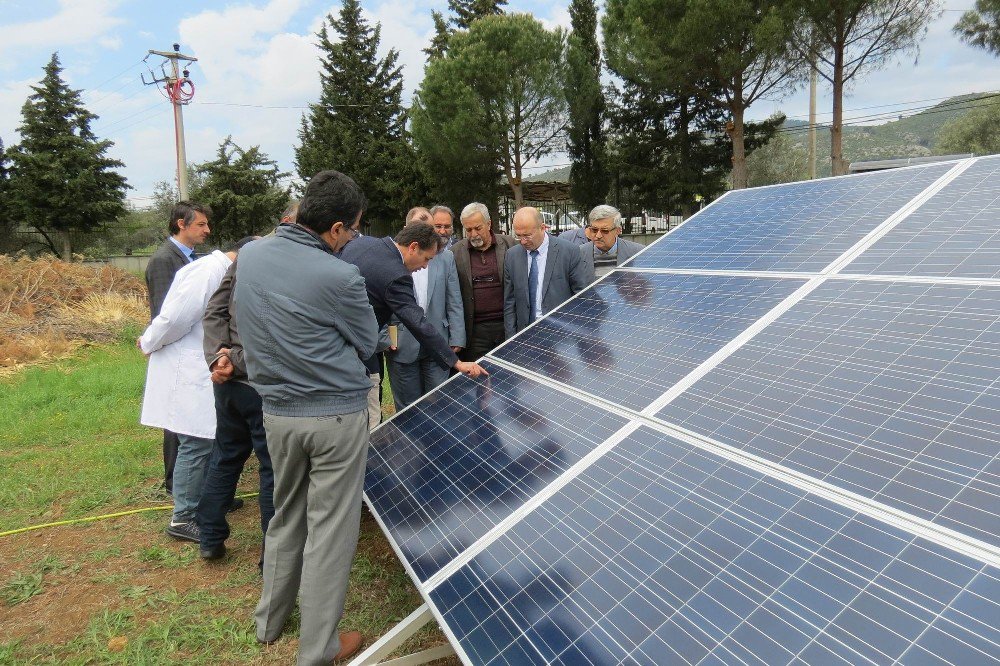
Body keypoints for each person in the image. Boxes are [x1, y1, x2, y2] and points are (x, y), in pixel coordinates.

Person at [235, 170, 377, 664]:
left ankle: (269, 621)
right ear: (336, 229)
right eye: (353, 231)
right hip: (335, 418)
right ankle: (318, 649)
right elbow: (366, 341)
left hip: (276, 413)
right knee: (331, 532)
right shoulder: (340, 276)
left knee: (285, 513)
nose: (352, 240)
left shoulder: (250, 254)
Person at [138, 237, 250, 543]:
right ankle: (183, 517)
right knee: (195, 442)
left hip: (204, 364)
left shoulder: (222, 269)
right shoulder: (207, 271)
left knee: (213, 439)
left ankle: (212, 500)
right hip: (185, 368)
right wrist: (148, 341)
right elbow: (174, 318)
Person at [197, 237, 274, 565]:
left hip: (230, 378)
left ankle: (210, 537)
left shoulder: (244, 259)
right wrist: (219, 359)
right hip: (255, 383)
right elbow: (277, 333)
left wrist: (221, 358)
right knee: (271, 468)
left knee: (226, 455)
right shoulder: (278, 264)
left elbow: (215, 311)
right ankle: (270, 555)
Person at [339, 222, 489, 382]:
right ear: (413, 247)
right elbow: (417, 322)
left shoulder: (363, 242)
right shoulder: (396, 276)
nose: (425, 266)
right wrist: (456, 362)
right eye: (426, 259)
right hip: (349, 352)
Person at [144, 201, 211, 496]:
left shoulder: (192, 258)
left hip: (191, 350)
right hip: (174, 352)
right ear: (180, 224)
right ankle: (176, 485)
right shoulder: (164, 260)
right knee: (176, 421)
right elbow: (164, 314)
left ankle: (195, 485)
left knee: (191, 421)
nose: (207, 230)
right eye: (200, 225)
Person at [385, 215, 466, 411]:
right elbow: (377, 303)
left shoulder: (445, 258)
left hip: (438, 341)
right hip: (402, 345)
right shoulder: (390, 261)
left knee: (439, 404)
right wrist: (384, 338)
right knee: (408, 409)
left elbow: (453, 298)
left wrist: (457, 336)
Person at [503, 206, 590, 337]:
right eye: (518, 236)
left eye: (527, 235)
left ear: (543, 228)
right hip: (525, 334)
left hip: (561, 334)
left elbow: (581, 296)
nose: (522, 241)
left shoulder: (568, 251)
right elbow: (510, 301)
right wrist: (511, 338)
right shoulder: (512, 255)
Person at [451, 202, 517, 361]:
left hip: (506, 326)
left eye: (478, 228)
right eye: (468, 230)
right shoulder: (455, 253)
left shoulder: (510, 245)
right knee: (478, 380)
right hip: (474, 332)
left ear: (488, 224)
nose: (473, 234)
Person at [579, 204, 646, 278]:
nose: (598, 235)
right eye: (594, 230)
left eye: (605, 231)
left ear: (618, 231)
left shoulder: (639, 253)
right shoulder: (577, 254)